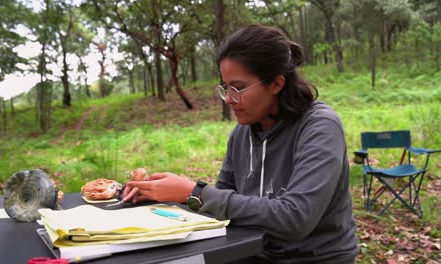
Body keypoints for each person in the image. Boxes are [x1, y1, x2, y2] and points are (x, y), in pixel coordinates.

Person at [123, 24, 359, 263]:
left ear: (276, 83)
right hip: (253, 252)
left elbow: (295, 219)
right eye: (225, 88)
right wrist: (169, 195)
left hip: (316, 258)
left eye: (238, 87)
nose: (228, 99)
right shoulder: (241, 133)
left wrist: (195, 193)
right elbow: (223, 201)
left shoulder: (319, 126)